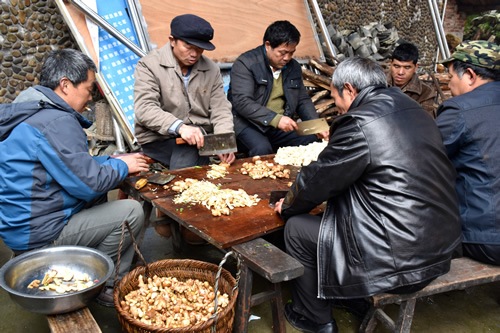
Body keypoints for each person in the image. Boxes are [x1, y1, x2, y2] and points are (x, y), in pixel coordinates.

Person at [274, 57, 461, 333]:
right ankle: (353, 298)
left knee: (297, 229)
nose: (336, 105)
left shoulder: (360, 121)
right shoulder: (414, 109)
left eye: (336, 96)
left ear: (349, 90)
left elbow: (319, 179)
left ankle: (315, 319)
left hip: (403, 263)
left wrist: (287, 204)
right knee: (343, 213)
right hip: (440, 248)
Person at [0, 48, 149, 307]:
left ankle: (93, 261)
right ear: (66, 85)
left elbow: (72, 166)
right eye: (89, 89)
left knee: (103, 187)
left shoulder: (29, 107)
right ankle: (101, 283)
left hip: (19, 226)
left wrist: (111, 161)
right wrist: (123, 167)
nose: (90, 99)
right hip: (39, 234)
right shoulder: (56, 121)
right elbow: (89, 184)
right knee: (132, 211)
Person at [134, 14, 235, 169]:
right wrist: (180, 127)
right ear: (172, 40)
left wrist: (223, 141)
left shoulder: (211, 69)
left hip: (200, 136)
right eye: (188, 47)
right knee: (191, 156)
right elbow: (145, 109)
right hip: (159, 138)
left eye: (199, 49)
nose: (194, 54)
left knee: (197, 149)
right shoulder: (149, 65)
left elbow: (220, 108)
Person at [436, 40, 500, 266]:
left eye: (452, 76)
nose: (450, 84)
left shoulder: (460, 109)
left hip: (487, 239)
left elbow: (423, 157)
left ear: (470, 75)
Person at [228, 20, 328, 157]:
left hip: (277, 125)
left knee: (311, 140)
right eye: (282, 52)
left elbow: (302, 100)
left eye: (291, 53)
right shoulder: (246, 64)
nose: (287, 58)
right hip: (248, 123)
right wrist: (275, 119)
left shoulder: (293, 68)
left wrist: (317, 125)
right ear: (268, 45)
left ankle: (298, 177)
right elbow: (242, 102)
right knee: (262, 148)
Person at [387, 42, 438, 117]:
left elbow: (425, 123)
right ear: (390, 64)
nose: (400, 72)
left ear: (416, 67)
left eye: (407, 67)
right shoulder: (377, 82)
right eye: (396, 66)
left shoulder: (425, 93)